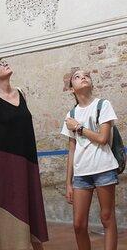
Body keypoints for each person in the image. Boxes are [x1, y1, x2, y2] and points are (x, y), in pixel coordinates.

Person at [0, 59, 48, 250]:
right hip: (2, 162)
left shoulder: (22, 93)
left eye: (4, 62)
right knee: (7, 204)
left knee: (30, 202)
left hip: (27, 159)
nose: (4, 64)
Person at [61, 69, 118, 250]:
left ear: (91, 83)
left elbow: (102, 138)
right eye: (77, 77)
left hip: (103, 168)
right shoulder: (71, 114)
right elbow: (72, 148)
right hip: (81, 173)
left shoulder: (103, 105)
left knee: (107, 218)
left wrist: (78, 127)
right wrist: (68, 182)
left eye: (86, 75)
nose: (83, 77)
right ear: (72, 89)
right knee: (78, 225)